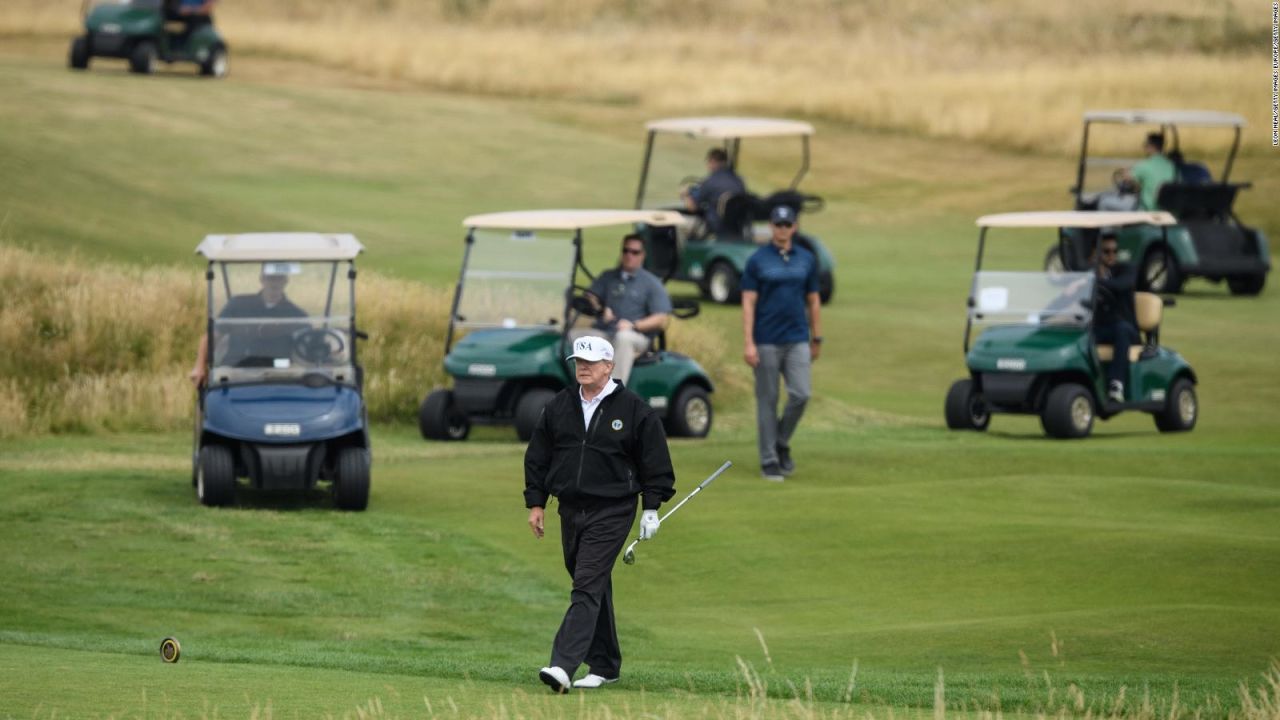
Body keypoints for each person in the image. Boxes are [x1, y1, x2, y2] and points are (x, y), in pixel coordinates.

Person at [523, 335, 676, 693]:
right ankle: (605, 665)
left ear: (609, 366)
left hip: (614, 508)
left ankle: (562, 666)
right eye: (579, 361)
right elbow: (538, 457)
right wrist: (536, 503)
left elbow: (657, 465)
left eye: (591, 362)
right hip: (570, 509)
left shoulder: (634, 409)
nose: (583, 367)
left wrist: (651, 508)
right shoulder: (560, 406)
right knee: (593, 583)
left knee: (586, 586)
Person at [741, 205, 822, 481]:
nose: (782, 229)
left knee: (801, 394)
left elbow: (813, 300)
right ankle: (769, 460)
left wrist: (817, 336)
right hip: (765, 339)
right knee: (768, 400)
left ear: (794, 227)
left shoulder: (806, 259)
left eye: (787, 225)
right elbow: (748, 302)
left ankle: (781, 441)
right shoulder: (758, 260)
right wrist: (749, 342)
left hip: (797, 337)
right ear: (772, 227)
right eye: (778, 225)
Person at [188, 265, 308, 386]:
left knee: (305, 378)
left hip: (279, 370)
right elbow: (212, 337)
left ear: (286, 281)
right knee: (218, 378)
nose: (274, 283)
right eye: (270, 278)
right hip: (236, 368)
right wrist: (199, 367)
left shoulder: (296, 314)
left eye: (279, 278)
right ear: (262, 279)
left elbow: (308, 347)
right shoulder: (238, 305)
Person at [581, 234, 673, 384]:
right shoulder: (608, 277)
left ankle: (611, 393)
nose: (629, 255)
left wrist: (633, 325)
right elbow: (590, 297)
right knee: (573, 337)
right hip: (606, 331)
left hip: (636, 336)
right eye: (626, 251)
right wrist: (601, 308)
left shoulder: (651, 283)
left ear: (643, 255)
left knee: (623, 338)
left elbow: (661, 318)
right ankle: (573, 388)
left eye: (635, 252)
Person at [1090, 232, 1140, 403]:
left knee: (1121, 329)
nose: (1112, 255)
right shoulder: (1090, 274)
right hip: (1099, 329)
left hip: (1126, 329)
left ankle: (1116, 385)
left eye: (1114, 251)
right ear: (1097, 253)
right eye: (1106, 251)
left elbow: (1120, 285)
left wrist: (1094, 281)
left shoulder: (1126, 269)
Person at [681, 148, 746, 234]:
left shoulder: (710, 181)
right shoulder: (739, 180)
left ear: (712, 161)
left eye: (708, 162)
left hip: (717, 227)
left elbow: (692, 207)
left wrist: (685, 195)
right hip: (738, 227)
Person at [1119, 132, 1176, 211]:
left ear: (1151, 147)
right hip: (1168, 211)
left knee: (1103, 203)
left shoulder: (1143, 166)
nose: (1144, 147)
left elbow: (1129, 178)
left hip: (1148, 210)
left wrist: (1125, 173)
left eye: (1145, 144)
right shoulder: (1173, 166)